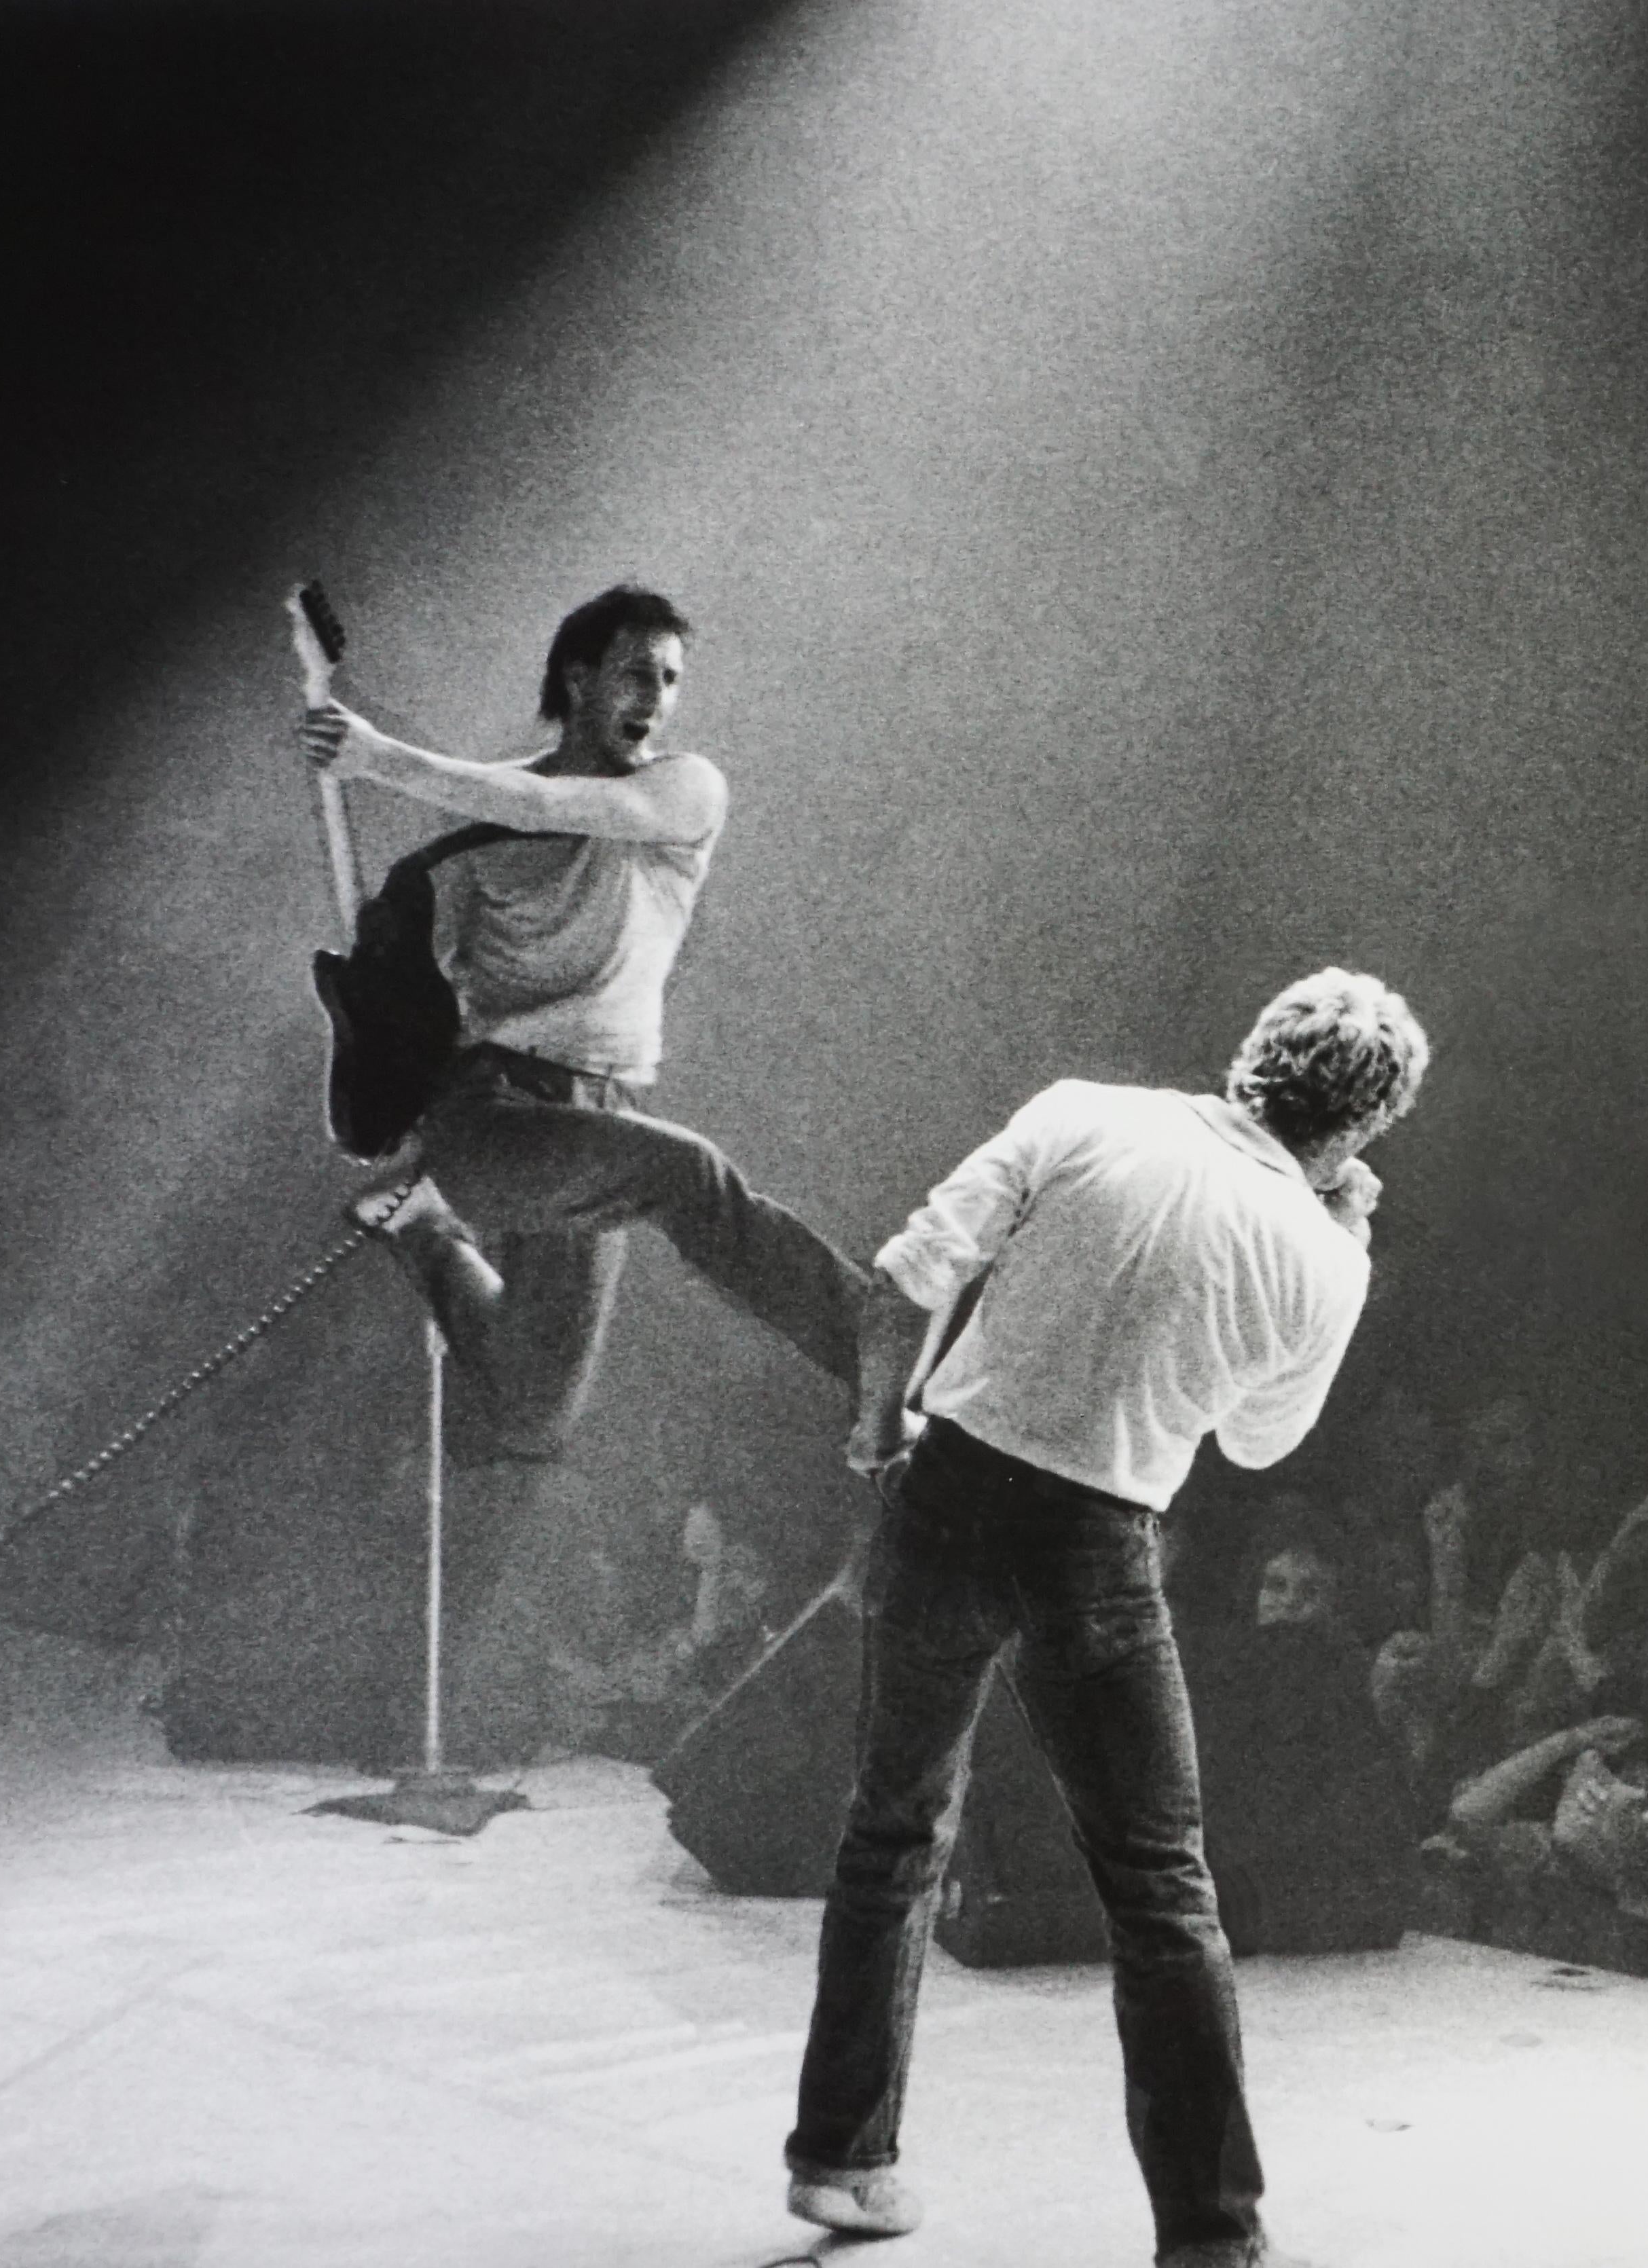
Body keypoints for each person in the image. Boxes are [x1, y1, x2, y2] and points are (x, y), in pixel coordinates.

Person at [782, 969, 1431, 2268]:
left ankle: (843, 2163)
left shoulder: (1083, 1111)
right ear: (1362, 1129)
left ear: (1253, 1051)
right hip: (1095, 1546)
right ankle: (1211, 2236)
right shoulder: (1319, 1254)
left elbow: (906, 1277)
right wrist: (1341, 1240)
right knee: (1158, 1890)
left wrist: (874, 1434)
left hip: (947, 1493)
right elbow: (1258, 1444)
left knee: (892, 1830)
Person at [296, 585, 870, 1752]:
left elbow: (549, 799)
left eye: (668, 679)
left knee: (532, 1410)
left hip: (599, 1124)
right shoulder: (465, 853)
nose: (653, 700)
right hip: (500, 1120)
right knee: (692, 1177)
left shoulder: (679, 794)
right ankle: (872, 1342)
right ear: (573, 680)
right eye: (632, 673)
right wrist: (381, 993)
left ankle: (420, 1230)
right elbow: (383, 1022)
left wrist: (379, 757)